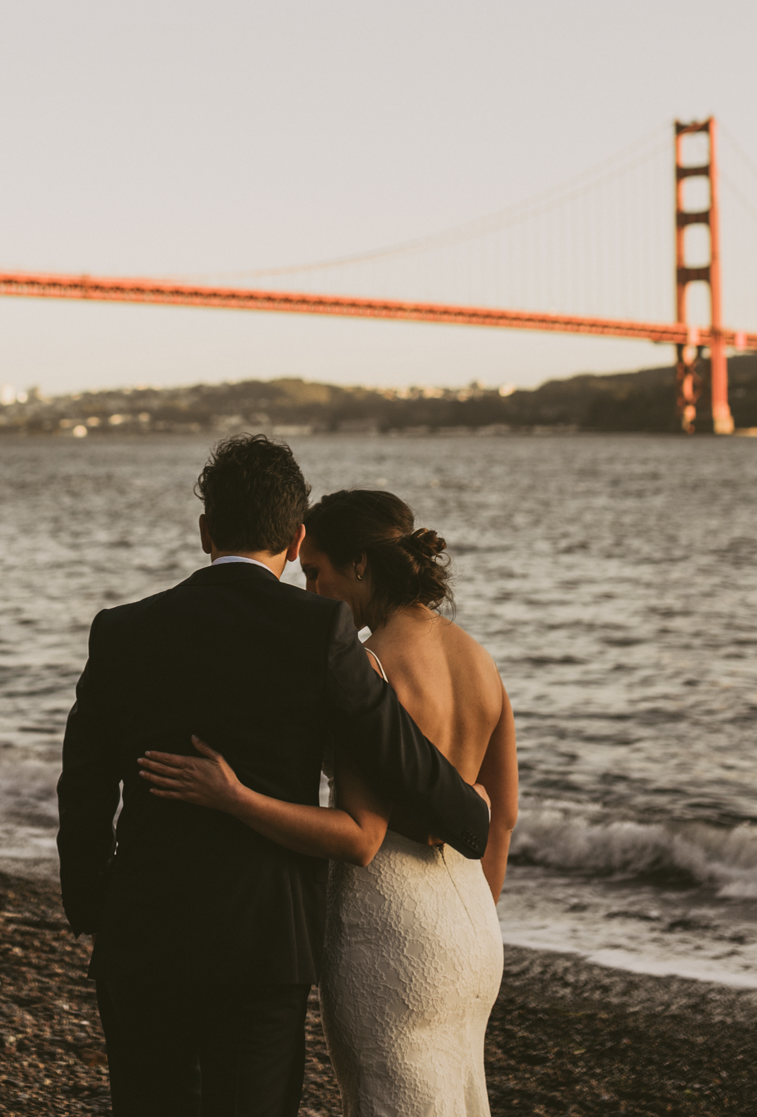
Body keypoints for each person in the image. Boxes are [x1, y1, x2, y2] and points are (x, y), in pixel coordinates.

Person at [57, 439, 490, 1117]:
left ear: (206, 532)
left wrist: (93, 904)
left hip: (141, 931)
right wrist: (471, 815)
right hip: (262, 945)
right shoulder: (317, 628)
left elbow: (82, 786)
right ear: (294, 539)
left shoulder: (121, 630)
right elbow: (396, 753)